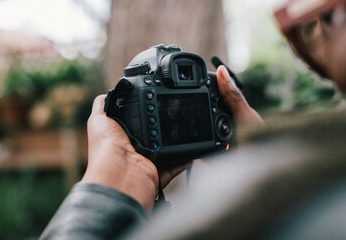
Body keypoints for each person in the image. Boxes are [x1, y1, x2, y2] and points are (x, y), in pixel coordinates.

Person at [41, 0, 346, 239]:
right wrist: (264, 159)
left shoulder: (245, 216)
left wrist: (104, 188)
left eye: (328, 17)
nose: (318, 30)